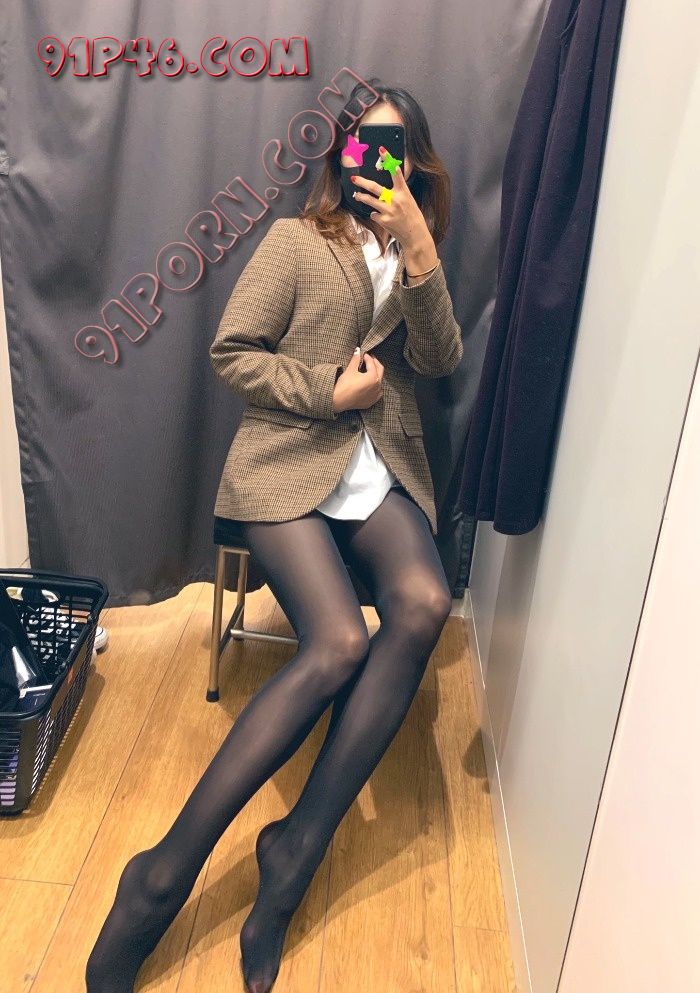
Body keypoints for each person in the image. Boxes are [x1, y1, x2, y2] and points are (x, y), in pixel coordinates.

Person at [86, 77, 463, 993]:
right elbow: (233, 352)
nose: (378, 164)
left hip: (375, 462)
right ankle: (159, 874)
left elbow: (439, 360)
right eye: (364, 145)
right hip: (287, 457)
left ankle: (294, 849)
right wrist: (326, 390)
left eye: (396, 149)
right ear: (341, 155)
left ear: (416, 164)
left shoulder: (417, 251)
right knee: (336, 644)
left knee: (423, 602)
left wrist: (420, 251)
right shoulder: (299, 240)